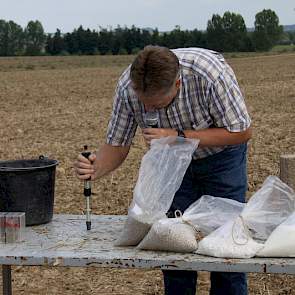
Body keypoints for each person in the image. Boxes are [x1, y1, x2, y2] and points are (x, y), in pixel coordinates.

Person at [75, 45, 252, 295]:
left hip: (221, 159)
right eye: (144, 104)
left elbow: (240, 132)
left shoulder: (210, 75)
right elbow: (117, 144)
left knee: (226, 244)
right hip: (170, 167)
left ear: (178, 84)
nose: (150, 111)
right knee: (172, 244)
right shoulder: (128, 88)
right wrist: (96, 167)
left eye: (157, 104)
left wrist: (179, 137)